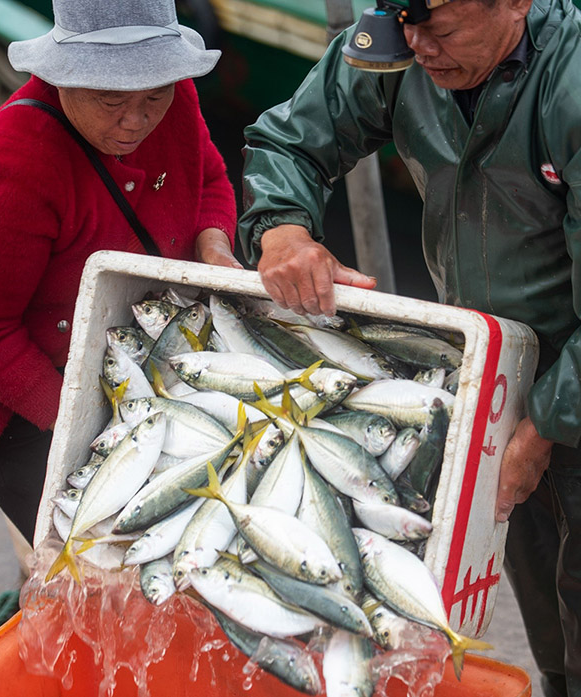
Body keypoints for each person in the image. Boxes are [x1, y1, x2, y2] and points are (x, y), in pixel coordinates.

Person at [238, 0, 581, 695]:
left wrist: (545, 425)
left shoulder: (570, 82)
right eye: (405, 22)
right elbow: (291, 141)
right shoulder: (398, 45)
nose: (419, 45)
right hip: (490, 369)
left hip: (567, 375)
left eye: (442, 25)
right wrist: (281, 229)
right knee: (543, 593)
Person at [0, 0, 242, 549]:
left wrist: (214, 246)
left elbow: (212, 179)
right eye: (111, 100)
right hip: (26, 401)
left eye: (153, 97)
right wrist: (90, 430)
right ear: (62, 78)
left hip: (144, 354)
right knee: (97, 556)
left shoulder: (176, 96)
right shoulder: (14, 159)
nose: (137, 120)